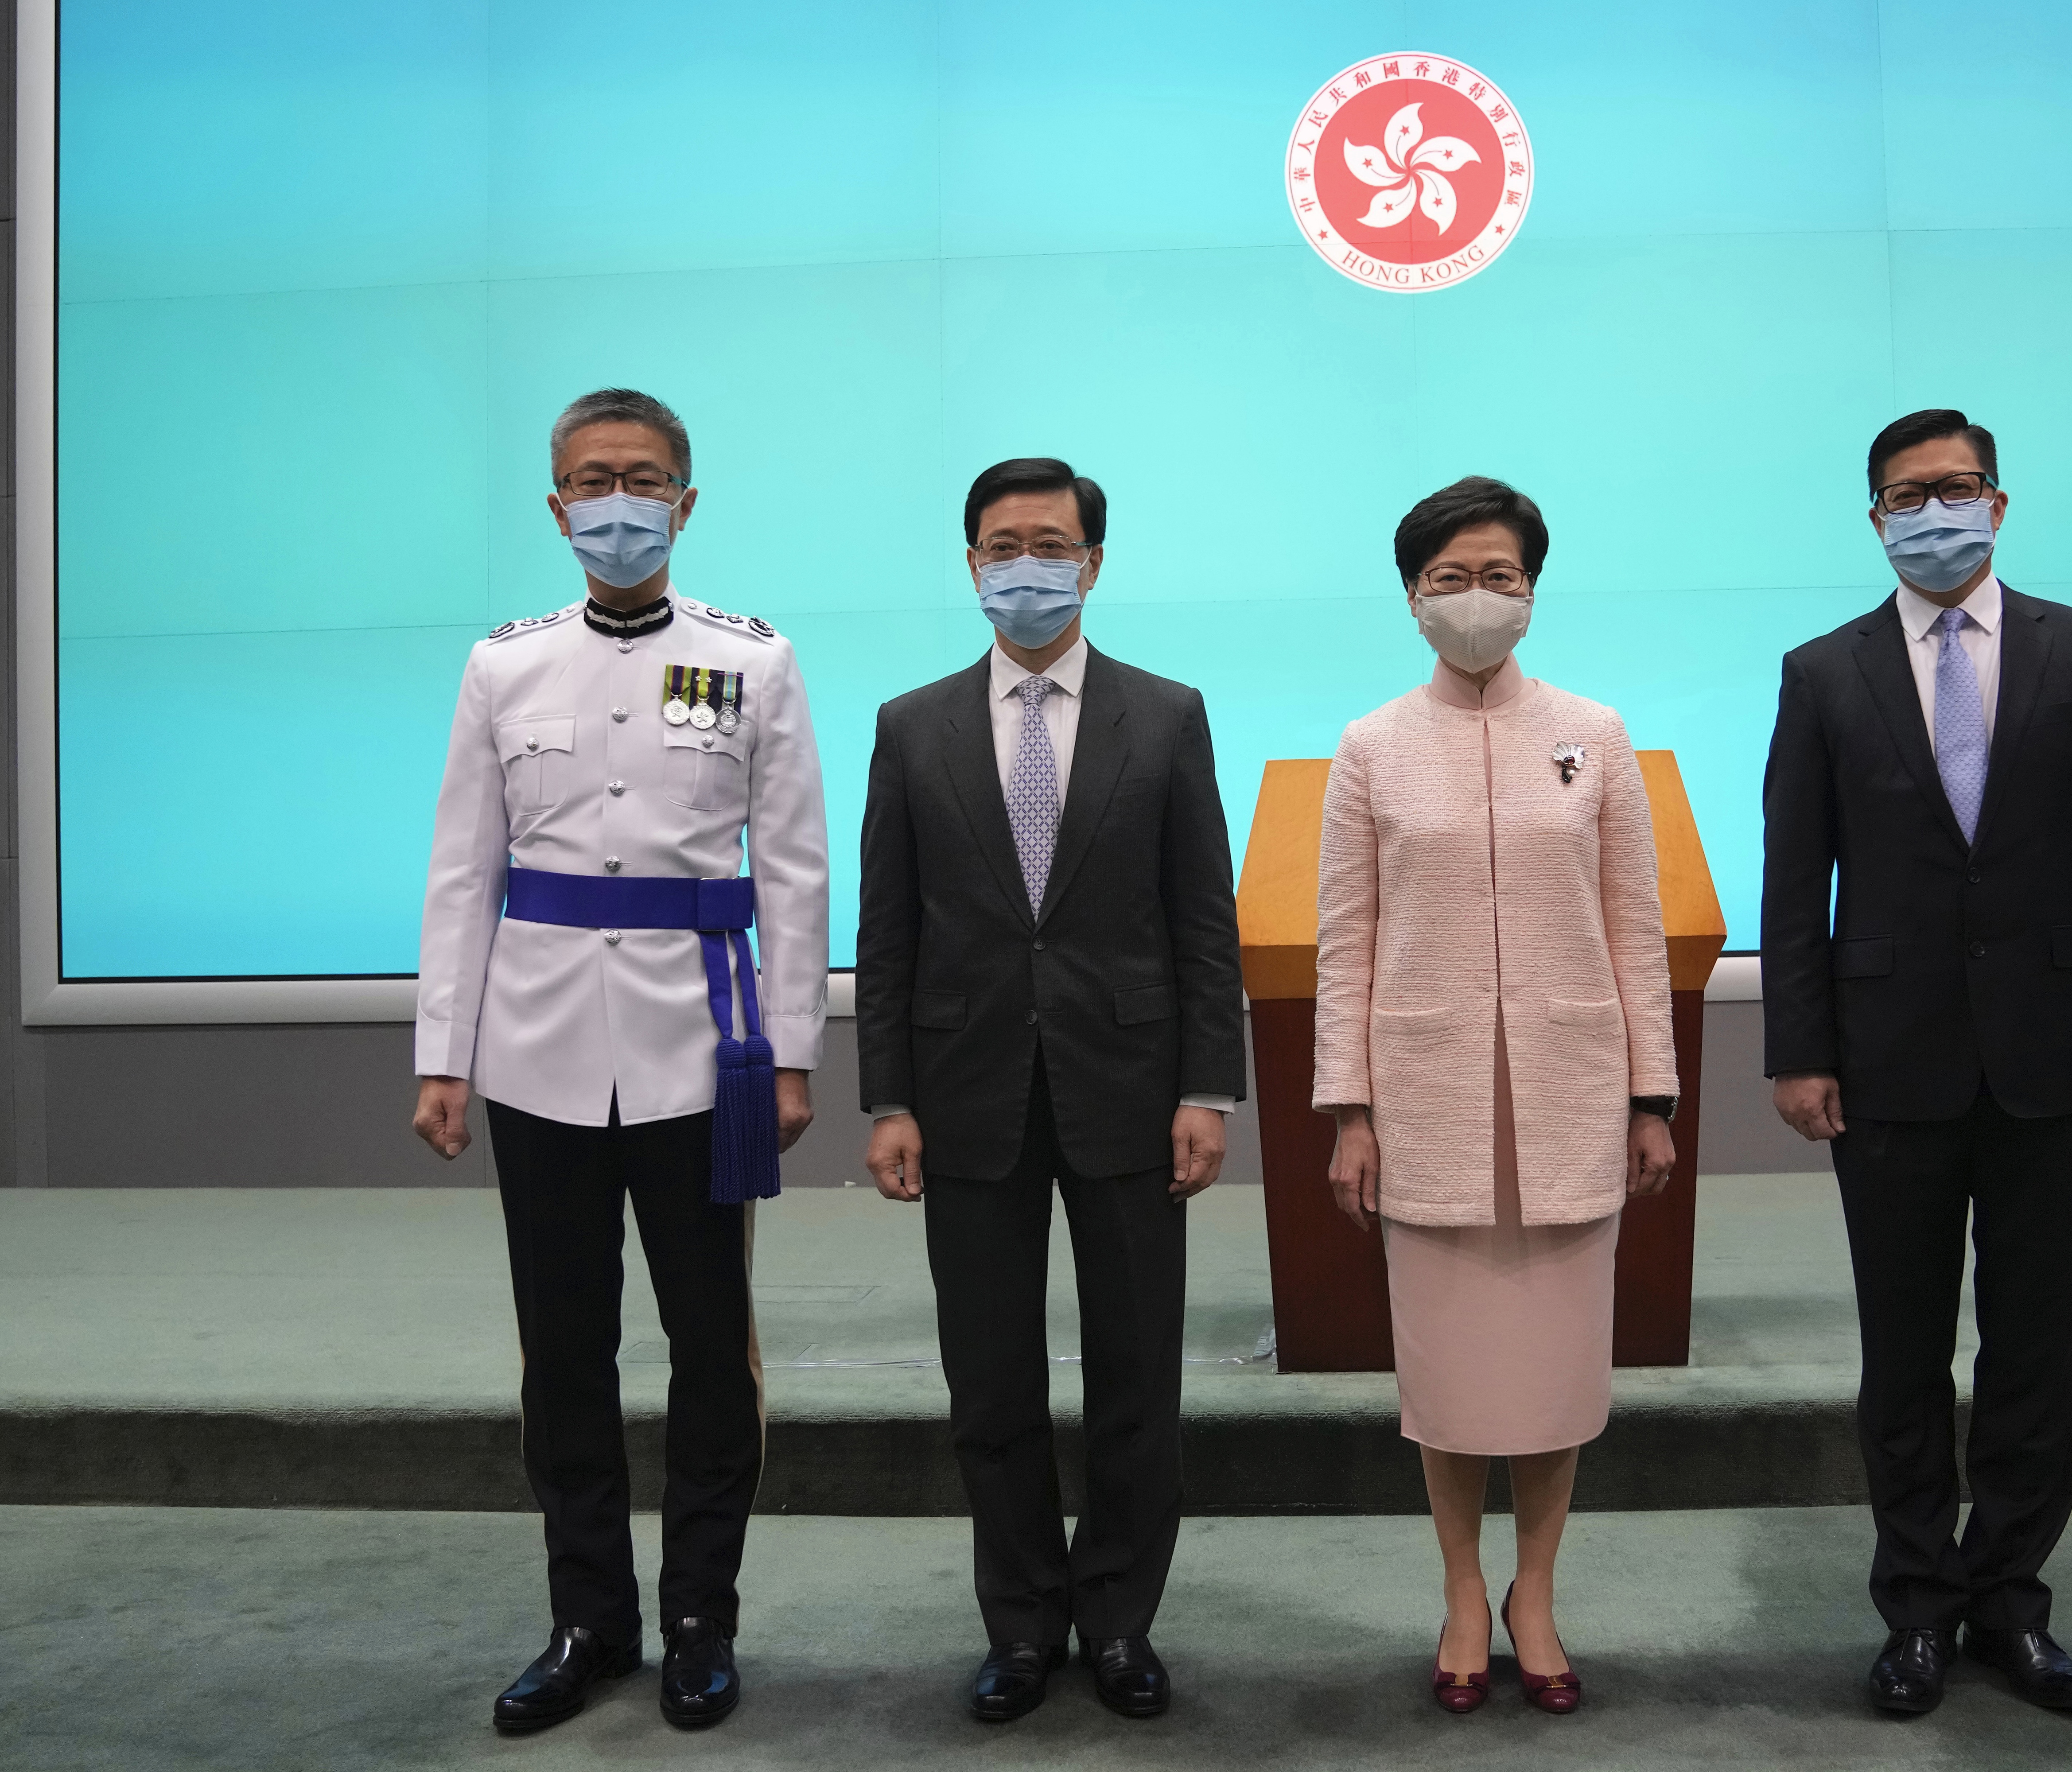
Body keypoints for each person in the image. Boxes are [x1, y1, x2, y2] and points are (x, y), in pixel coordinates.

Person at [412, 388, 829, 1733]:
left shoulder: (753, 660)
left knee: (712, 1351)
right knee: (564, 1352)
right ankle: (590, 1618)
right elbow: (463, 873)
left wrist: (795, 1054)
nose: (618, 503)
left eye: (643, 479)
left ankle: (703, 1615)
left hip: (702, 1057)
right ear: (554, 504)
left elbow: (801, 871)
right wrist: (444, 1056)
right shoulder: (504, 667)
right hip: (536, 1057)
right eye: (592, 479)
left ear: (687, 503)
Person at [1760, 410, 2072, 1716]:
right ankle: (1917, 1613)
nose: (1931, 515)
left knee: (2032, 1350)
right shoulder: (1823, 673)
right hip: (1886, 1065)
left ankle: (2011, 1603)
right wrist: (1799, 1048)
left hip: (2060, 1059)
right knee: (1902, 1357)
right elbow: (1796, 882)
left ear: (1999, 504)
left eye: (1953, 490)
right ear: (1874, 519)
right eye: (1905, 497)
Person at [855, 458, 1243, 1723]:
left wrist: (1209, 1086)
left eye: (1052, 543)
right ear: (972, 565)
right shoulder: (911, 726)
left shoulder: (1168, 715)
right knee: (992, 1383)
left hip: (1133, 1089)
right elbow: (890, 930)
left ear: (1094, 561)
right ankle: (1021, 1625)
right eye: (1003, 545)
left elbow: (1203, 922)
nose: (1028, 565)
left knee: (1138, 1379)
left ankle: (1120, 1621)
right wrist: (888, 1097)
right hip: (965, 1094)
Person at [1313, 476, 1679, 1717]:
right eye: (1452, 579)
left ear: (1533, 591)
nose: (1478, 599)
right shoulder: (1369, 747)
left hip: (1571, 1094)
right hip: (1427, 1101)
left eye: (1501, 577)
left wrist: (1650, 1096)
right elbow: (1345, 940)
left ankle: (1538, 1587)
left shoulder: (1598, 734)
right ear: (1413, 597)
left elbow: (1635, 927)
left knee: (1556, 1377)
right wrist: (1348, 1108)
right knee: (1455, 1382)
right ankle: (1464, 1588)